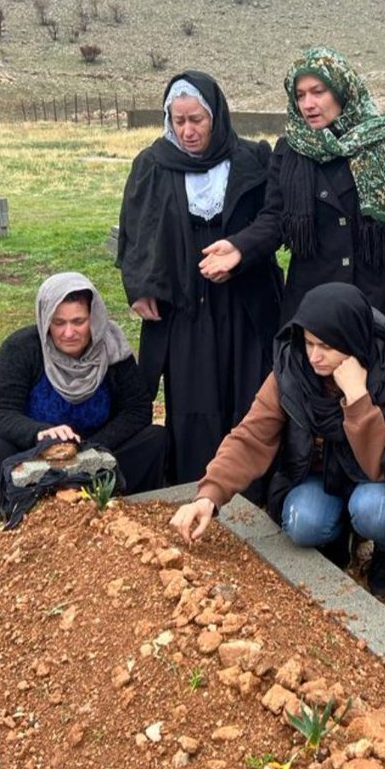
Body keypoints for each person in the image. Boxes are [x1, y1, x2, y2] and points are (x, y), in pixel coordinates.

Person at [170, 283, 385, 599]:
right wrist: (209, 496)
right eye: (308, 343)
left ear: (353, 342)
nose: (314, 356)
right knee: (303, 522)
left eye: (326, 346)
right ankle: (337, 535)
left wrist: (358, 397)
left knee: (374, 512)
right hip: (318, 474)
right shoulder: (292, 369)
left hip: (377, 481)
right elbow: (252, 434)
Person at [117, 70, 283, 485]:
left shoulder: (251, 159)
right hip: (185, 305)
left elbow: (273, 220)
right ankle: (196, 490)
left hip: (244, 304)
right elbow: (135, 230)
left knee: (249, 396)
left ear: (216, 116)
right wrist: (139, 288)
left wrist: (240, 251)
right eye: (179, 121)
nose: (188, 131)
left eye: (197, 120)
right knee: (194, 400)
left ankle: (253, 492)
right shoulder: (153, 165)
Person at [198, 45, 385, 326]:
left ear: (342, 90)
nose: (308, 104)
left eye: (318, 91)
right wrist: (239, 247)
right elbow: (275, 218)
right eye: (300, 95)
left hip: (374, 304)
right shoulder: (291, 149)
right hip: (310, 308)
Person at [0, 272, 167, 522]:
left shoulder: (112, 348)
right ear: (45, 321)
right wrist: (42, 434)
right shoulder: (20, 349)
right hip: (38, 456)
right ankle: (32, 515)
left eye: (78, 321)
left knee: (156, 439)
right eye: (58, 323)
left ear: (94, 318)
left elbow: (137, 409)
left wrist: (90, 449)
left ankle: (113, 508)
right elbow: (0, 413)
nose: (69, 333)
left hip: (99, 454)